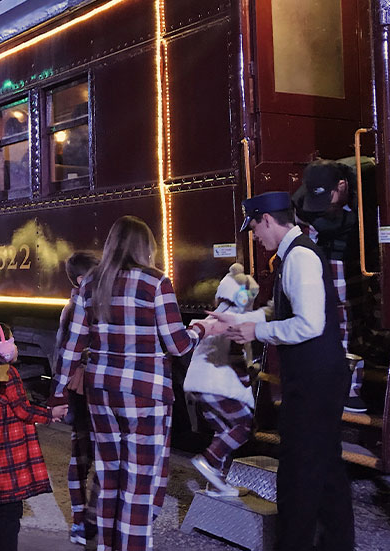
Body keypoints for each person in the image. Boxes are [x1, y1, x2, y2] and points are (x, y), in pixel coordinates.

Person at [57, 215, 215, 551]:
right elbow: (177, 345)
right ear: (146, 248)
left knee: (109, 477)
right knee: (139, 486)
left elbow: (72, 345)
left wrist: (57, 394)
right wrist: (201, 329)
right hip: (145, 396)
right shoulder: (156, 283)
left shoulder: (91, 283)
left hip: (101, 394)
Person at [213, 191, 354, 551]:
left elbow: (308, 325)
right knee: (326, 473)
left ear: (267, 220)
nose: (256, 237)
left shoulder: (300, 258)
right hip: (316, 377)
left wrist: (256, 331)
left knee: (298, 475)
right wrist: (239, 320)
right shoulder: (293, 254)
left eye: (255, 228)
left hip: (313, 381)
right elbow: (281, 312)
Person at [0, 321, 68, 551]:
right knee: (11, 513)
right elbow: (23, 410)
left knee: (0, 508)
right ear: (1, 348)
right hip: (10, 453)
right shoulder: (9, 374)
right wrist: (49, 413)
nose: (15, 347)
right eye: (11, 341)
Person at [293, 159, 366, 413]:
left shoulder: (365, 188)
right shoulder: (306, 199)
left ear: (343, 186)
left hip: (351, 261)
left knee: (350, 324)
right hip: (330, 262)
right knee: (340, 324)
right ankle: (347, 389)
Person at [185, 263, 259, 497]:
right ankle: (209, 461)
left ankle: (215, 484)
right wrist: (248, 378)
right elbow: (236, 357)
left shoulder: (214, 316)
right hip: (217, 385)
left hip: (198, 386)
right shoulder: (235, 318)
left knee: (222, 430)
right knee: (244, 425)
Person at [48, 251, 100, 545]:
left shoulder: (77, 304)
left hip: (86, 389)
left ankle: (86, 520)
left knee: (85, 456)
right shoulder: (77, 306)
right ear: (83, 280)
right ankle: (83, 521)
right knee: (83, 457)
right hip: (84, 390)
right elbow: (70, 351)